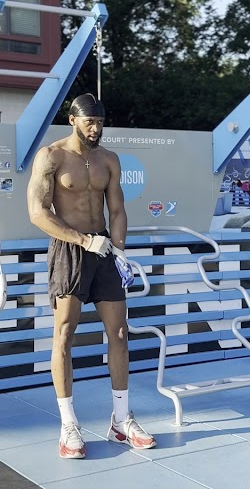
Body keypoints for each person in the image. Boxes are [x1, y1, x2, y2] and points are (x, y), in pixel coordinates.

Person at [27, 93, 156, 459]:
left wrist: (119, 249)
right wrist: (84, 240)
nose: (96, 129)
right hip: (71, 250)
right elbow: (37, 212)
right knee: (64, 334)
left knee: (118, 333)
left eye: (100, 122)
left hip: (105, 254)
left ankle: (120, 420)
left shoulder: (108, 160)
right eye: (90, 122)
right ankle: (68, 425)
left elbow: (117, 209)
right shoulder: (51, 157)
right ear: (73, 120)